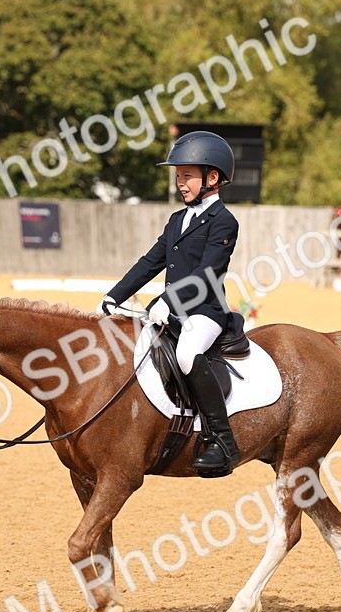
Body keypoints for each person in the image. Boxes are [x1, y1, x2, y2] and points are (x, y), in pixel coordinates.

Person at [98, 131, 241, 477]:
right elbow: (151, 261)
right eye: (178, 176)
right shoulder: (178, 220)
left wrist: (168, 301)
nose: (180, 182)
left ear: (213, 178)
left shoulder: (224, 222)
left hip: (205, 311)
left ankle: (222, 440)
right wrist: (115, 294)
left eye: (187, 175)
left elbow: (207, 274)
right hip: (170, 310)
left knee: (186, 355)